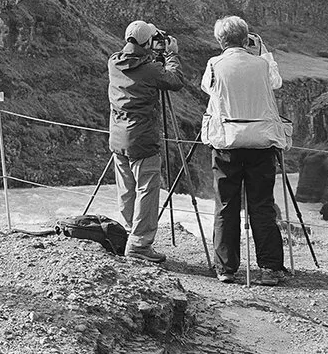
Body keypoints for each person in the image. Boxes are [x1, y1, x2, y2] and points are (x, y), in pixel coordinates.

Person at [202, 15, 288, 286]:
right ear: (246, 38)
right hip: (261, 143)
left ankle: (226, 268)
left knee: (226, 205)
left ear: (220, 41)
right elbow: (276, 82)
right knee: (262, 205)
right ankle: (271, 268)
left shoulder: (215, 64)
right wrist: (264, 52)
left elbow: (207, 87)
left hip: (227, 143)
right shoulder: (261, 64)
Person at [106, 20, 184, 263]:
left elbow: (139, 66)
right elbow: (175, 81)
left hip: (118, 138)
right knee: (147, 193)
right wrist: (170, 55)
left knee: (127, 190)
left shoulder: (113, 62)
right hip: (142, 139)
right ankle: (139, 246)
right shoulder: (150, 70)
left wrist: (152, 54)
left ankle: (131, 232)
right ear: (148, 42)